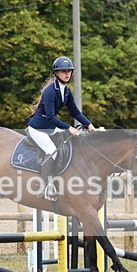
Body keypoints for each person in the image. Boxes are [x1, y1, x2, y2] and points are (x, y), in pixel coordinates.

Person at [27, 56, 96, 200]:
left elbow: (75, 112)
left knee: (69, 144)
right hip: (38, 128)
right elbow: (51, 117)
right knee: (52, 151)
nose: (67, 74)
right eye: (63, 71)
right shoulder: (50, 91)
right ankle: (45, 187)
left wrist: (89, 125)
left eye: (69, 71)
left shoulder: (66, 91)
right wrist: (68, 128)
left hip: (51, 127)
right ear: (56, 73)